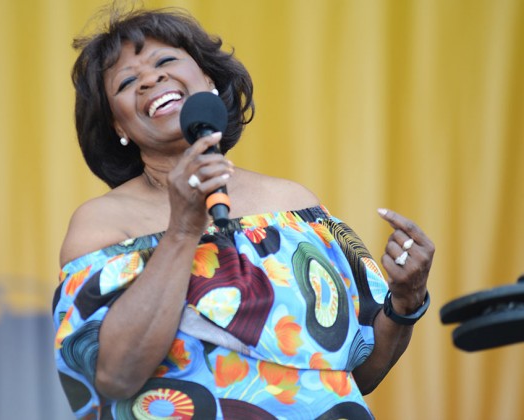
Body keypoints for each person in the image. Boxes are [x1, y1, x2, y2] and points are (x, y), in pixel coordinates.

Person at [52, 6, 435, 420]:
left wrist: (405, 302)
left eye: (165, 61)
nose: (150, 78)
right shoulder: (102, 223)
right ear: (118, 127)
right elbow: (114, 376)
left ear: (209, 82)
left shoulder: (293, 203)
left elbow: (356, 375)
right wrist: (182, 231)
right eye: (127, 82)